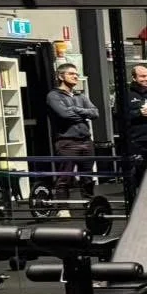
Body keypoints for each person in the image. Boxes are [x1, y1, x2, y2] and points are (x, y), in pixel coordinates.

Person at [46, 62, 99, 204]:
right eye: (71, 74)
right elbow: (64, 115)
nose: (75, 76)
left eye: (77, 74)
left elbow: (95, 113)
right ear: (60, 76)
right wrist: (83, 114)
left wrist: (76, 109)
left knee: (88, 176)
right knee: (65, 177)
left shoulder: (80, 96)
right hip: (67, 142)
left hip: (86, 141)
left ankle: (89, 206)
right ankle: (63, 208)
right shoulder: (54, 96)